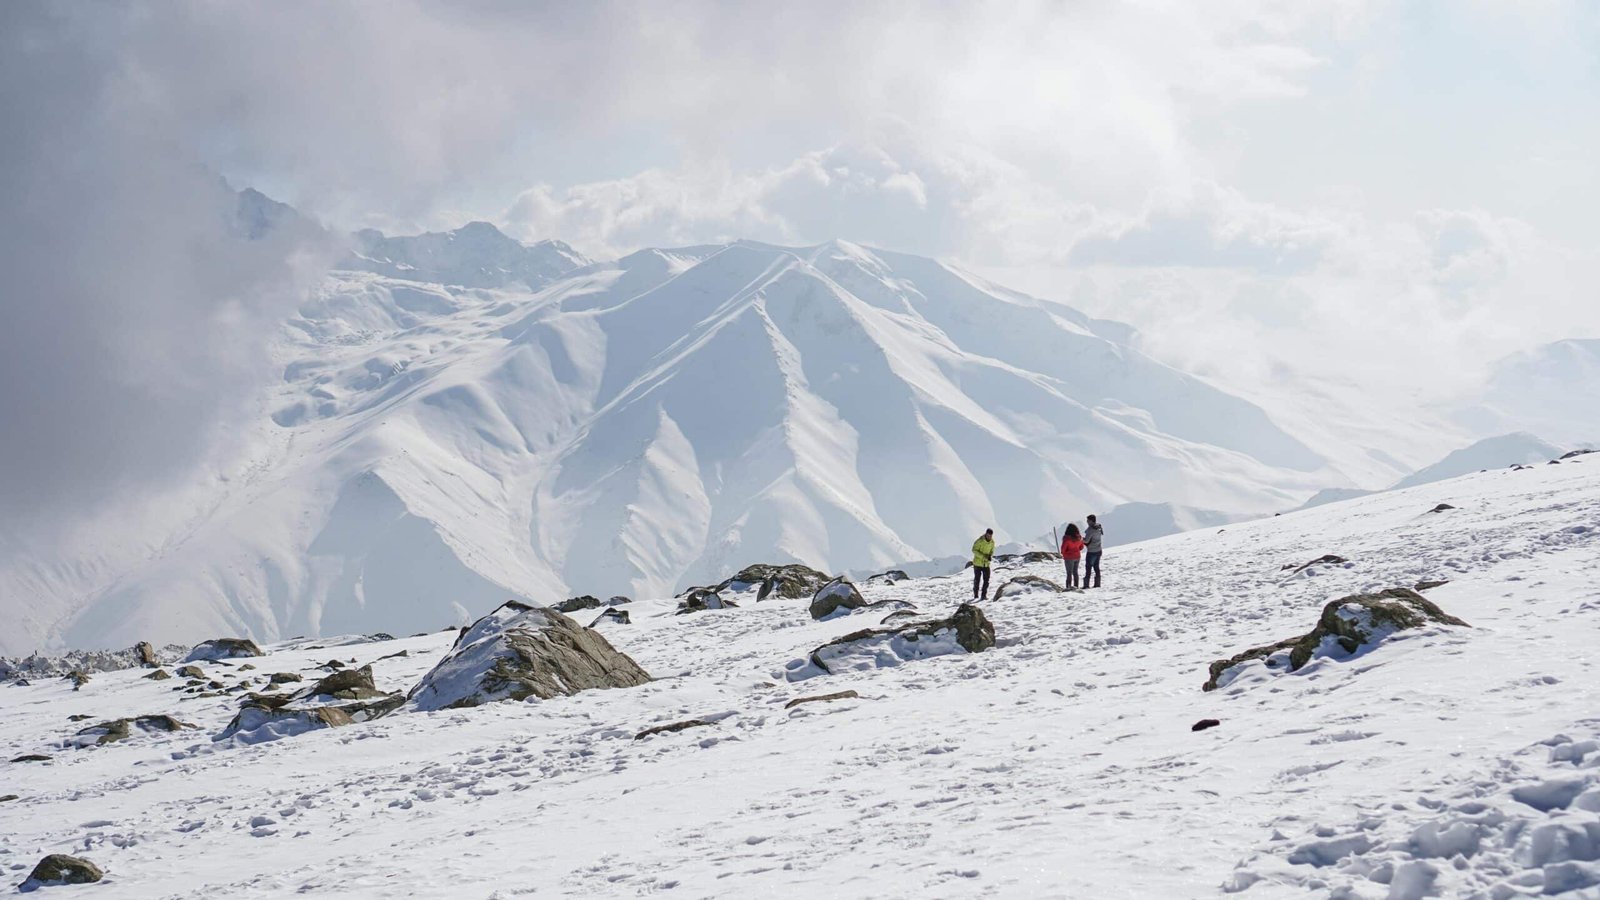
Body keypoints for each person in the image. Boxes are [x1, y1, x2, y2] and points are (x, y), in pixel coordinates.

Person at [971, 528, 996, 600]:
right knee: (977, 580)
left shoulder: (992, 542)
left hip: (986, 564)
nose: (989, 537)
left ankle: (983, 595)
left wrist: (990, 556)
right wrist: (983, 556)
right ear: (986, 534)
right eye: (988, 535)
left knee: (986, 580)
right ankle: (976, 595)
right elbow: (974, 550)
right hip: (978, 564)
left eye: (991, 536)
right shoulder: (980, 541)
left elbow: (992, 551)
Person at [1060, 522, 1085, 589]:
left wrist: (1064, 553)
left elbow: (1063, 549)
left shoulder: (1066, 539)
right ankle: (1076, 586)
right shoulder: (1079, 537)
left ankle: (1068, 587)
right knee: (1075, 572)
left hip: (1069, 558)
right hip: (1077, 557)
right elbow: (1081, 547)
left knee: (1069, 573)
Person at [1084, 514, 1104, 588]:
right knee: (1096, 567)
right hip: (1098, 549)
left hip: (1091, 551)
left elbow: (1086, 541)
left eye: (1088, 520)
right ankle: (1097, 583)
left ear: (1091, 521)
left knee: (1088, 567)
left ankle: (1086, 585)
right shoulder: (1098, 527)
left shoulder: (1091, 530)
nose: (1087, 522)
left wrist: (1080, 539)